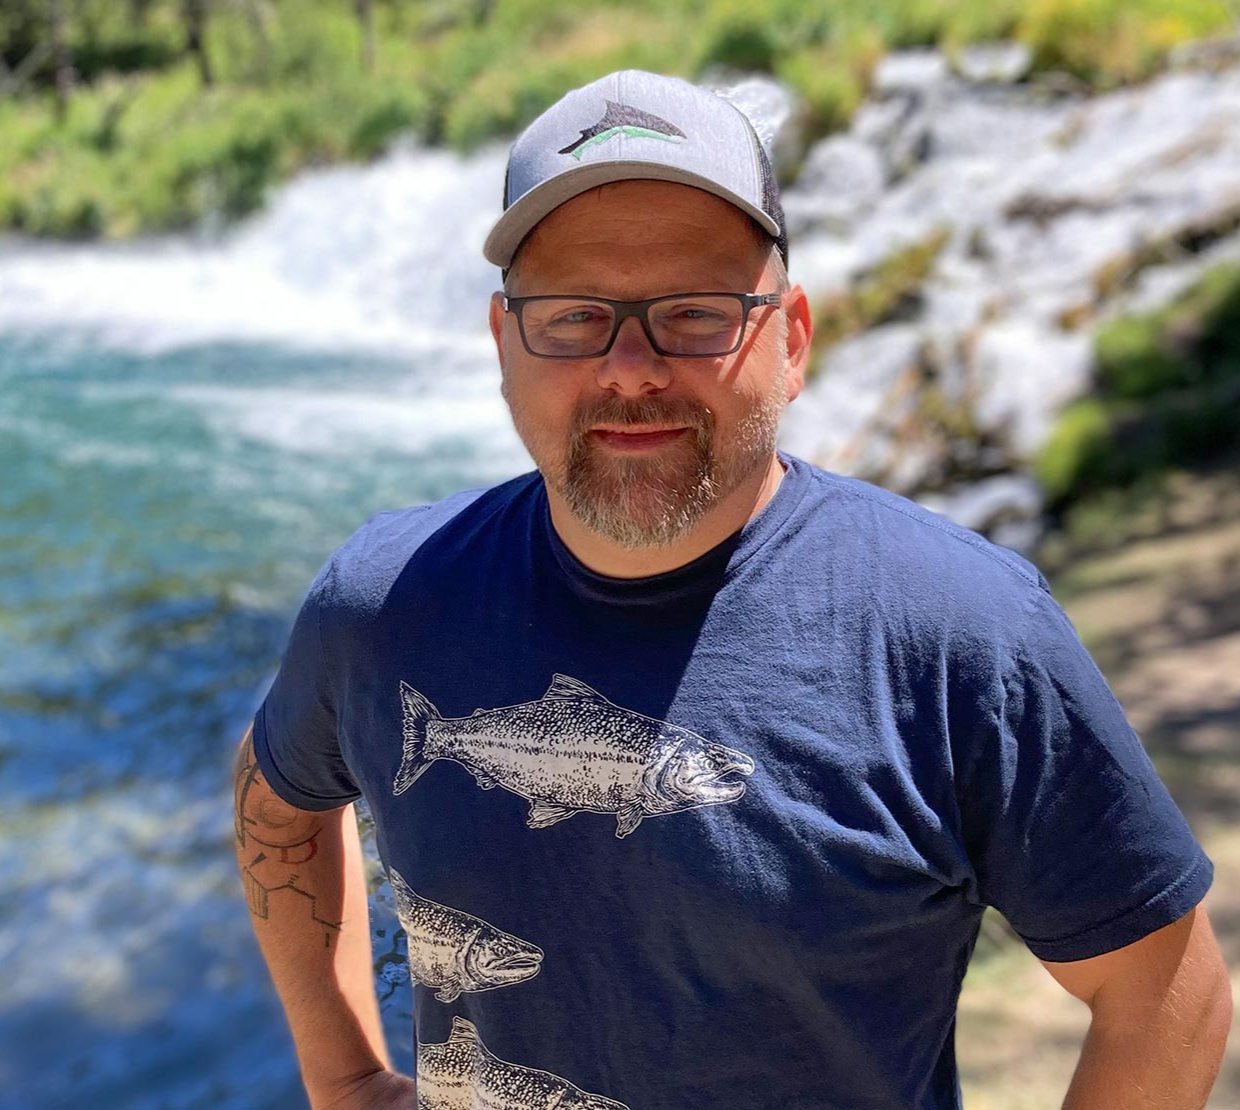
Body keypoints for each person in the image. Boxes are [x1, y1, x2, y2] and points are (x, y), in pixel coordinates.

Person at [233, 70, 1231, 1109]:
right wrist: (343, 1075)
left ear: (792, 340)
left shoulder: (962, 634)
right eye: (575, 318)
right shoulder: (382, 604)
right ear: (502, 345)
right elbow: (277, 792)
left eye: (696, 314)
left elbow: (1168, 990)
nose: (629, 369)